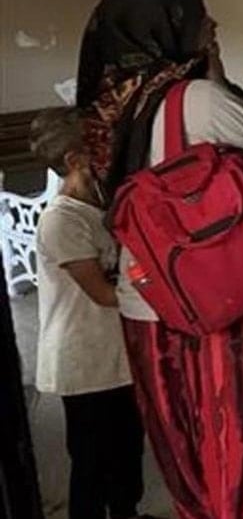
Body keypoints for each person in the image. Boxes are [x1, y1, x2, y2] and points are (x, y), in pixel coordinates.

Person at [76, 0, 243, 519]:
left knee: (177, 421)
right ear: (165, 30)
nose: (212, 27)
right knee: (239, 413)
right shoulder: (196, 98)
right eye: (201, 19)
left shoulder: (102, 110)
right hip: (215, 284)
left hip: (146, 292)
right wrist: (216, 79)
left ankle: (200, 507)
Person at [31, 107, 152, 519]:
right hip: (82, 358)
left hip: (113, 352)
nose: (110, 152)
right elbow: (102, 293)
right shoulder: (60, 221)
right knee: (92, 457)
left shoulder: (100, 204)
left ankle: (126, 512)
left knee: (127, 444)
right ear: (74, 160)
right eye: (100, 146)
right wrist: (164, 294)